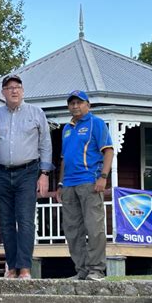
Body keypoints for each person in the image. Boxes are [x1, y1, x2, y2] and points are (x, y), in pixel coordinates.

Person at [0, 74, 53, 280]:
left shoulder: (36, 113)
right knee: (6, 222)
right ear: (3, 93)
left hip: (28, 172)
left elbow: (45, 144)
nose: (14, 90)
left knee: (26, 221)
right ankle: (11, 267)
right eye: (9, 88)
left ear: (23, 90)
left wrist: (44, 174)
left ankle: (25, 268)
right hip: (0, 172)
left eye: (17, 87)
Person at [56, 90, 114, 281]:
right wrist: (60, 184)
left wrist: (103, 177)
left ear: (87, 105)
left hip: (90, 182)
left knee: (94, 227)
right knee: (72, 230)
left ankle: (96, 269)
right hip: (69, 185)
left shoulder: (95, 123)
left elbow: (108, 151)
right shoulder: (66, 128)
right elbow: (64, 159)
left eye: (79, 103)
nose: (75, 106)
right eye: (72, 103)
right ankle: (81, 270)